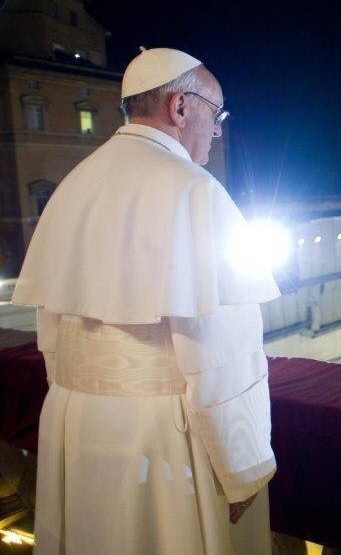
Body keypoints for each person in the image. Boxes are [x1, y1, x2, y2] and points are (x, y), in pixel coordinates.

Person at [12, 48, 281, 554]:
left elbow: (51, 336)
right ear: (180, 108)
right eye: (216, 114)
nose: (219, 130)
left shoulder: (74, 183)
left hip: (76, 426)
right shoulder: (195, 191)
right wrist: (242, 466)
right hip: (162, 442)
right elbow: (224, 355)